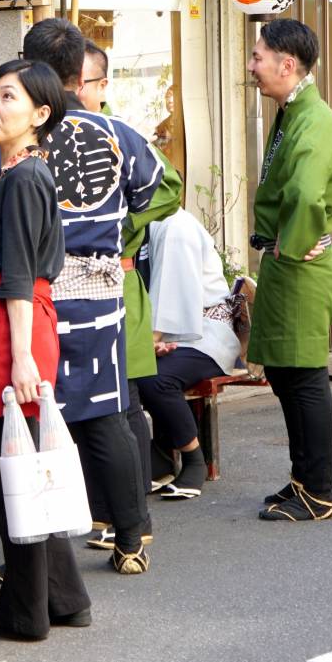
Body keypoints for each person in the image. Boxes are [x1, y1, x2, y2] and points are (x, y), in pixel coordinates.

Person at [0, 19, 161, 576]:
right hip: (98, 291)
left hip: (27, 298)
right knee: (105, 416)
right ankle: (131, 537)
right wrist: (118, 235)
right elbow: (157, 187)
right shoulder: (116, 133)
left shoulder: (4, 147)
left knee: (28, 429)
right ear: (80, 71)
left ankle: (32, 559)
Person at [0, 59, 91, 641]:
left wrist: (21, 359)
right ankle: (62, 597)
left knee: (9, 473)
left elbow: (16, 277)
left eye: (8, 97)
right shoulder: (19, 173)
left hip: (12, 326)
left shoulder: (23, 178)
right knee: (27, 465)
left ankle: (24, 612)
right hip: (13, 321)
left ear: (40, 114)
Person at [247, 18, 332, 522]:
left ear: (288, 65)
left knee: (304, 374)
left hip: (300, 262)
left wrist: (294, 243)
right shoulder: (296, 110)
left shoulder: (314, 117)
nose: (251, 65)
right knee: (287, 375)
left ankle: (318, 492)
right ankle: (302, 478)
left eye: (258, 56)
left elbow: (308, 193)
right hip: (290, 258)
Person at [86, 41, 182, 545]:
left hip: (116, 278)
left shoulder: (121, 136)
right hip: (69, 286)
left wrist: (123, 222)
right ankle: (102, 515)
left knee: (123, 402)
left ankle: (132, 518)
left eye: (80, 83)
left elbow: (171, 186)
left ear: (102, 87)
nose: (70, 92)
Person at [137, 208, 240, 500]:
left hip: (205, 335)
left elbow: (171, 297)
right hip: (173, 333)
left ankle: (193, 458)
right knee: (133, 372)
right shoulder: (148, 223)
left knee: (153, 377)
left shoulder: (175, 226)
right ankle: (159, 459)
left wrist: (149, 342)